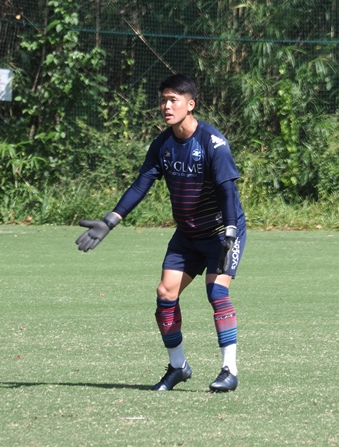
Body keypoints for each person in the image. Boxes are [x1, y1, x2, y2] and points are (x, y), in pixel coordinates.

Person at [75, 74, 246, 392]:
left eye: (173, 100)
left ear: (190, 105)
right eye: (163, 100)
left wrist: (231, 232)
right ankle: (178, 367)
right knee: (166, 293)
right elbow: (141, 184)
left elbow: (227, 191)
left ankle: (229, 370)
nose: (166, 106)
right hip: (187, 234)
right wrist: (109, 221)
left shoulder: (213, 143)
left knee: (217, 293)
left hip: (221, 232)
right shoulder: (163, 144)